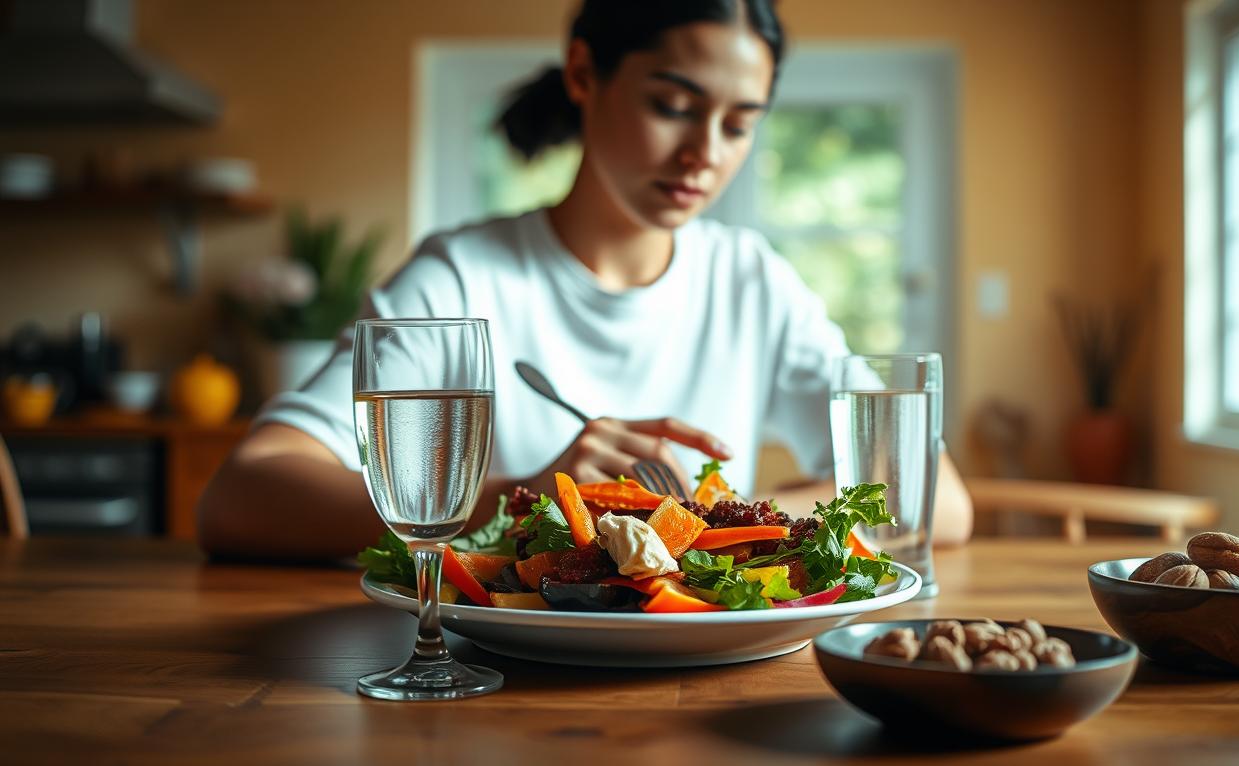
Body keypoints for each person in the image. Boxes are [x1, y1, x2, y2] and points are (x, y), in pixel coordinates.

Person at [197, 0, 973, 560]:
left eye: (739, 125)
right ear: (582, 73)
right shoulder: (461, 280)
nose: (706, 152)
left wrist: (708, 518)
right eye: (673, 105)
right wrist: (523, 496)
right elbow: (244, 495)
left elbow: (935, 499)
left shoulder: (753, 281)